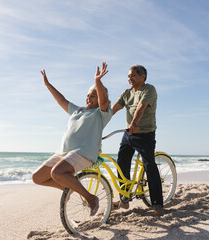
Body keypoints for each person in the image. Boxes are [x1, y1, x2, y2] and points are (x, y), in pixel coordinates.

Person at [32, 62, 112, 216]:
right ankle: (68, 187)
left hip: (84, 153)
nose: (89, 97)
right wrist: (47, 84)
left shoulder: (102, 114)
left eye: (93, 94)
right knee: (37, 177)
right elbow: (61, 100)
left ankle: (91, 198)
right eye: (88, 94)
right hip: (64, 152)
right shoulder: (78, 111)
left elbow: (104, 101)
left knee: (57, 172)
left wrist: (98, 81)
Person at [111, 65, 163, 216]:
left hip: (145, 133)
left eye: (133, 76)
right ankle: (125, 199)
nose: (129, 79)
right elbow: (113, 109)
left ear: (143, 76)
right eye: (128, 76)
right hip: (129, 133)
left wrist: (134, 123)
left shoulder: (149, 89)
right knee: (122, 162)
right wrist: (99, 122)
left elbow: (141, 107)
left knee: (149, 166)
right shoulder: (126, 93)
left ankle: (158, 205)